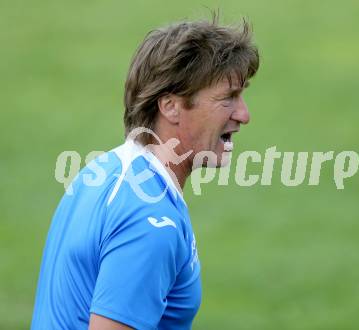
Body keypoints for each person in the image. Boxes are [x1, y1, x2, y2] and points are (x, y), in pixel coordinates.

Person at [31, 15, 259, 330]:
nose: (244, 114)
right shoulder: (151, 220)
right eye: (228, 98)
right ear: (170, 106)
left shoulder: (101, 172)